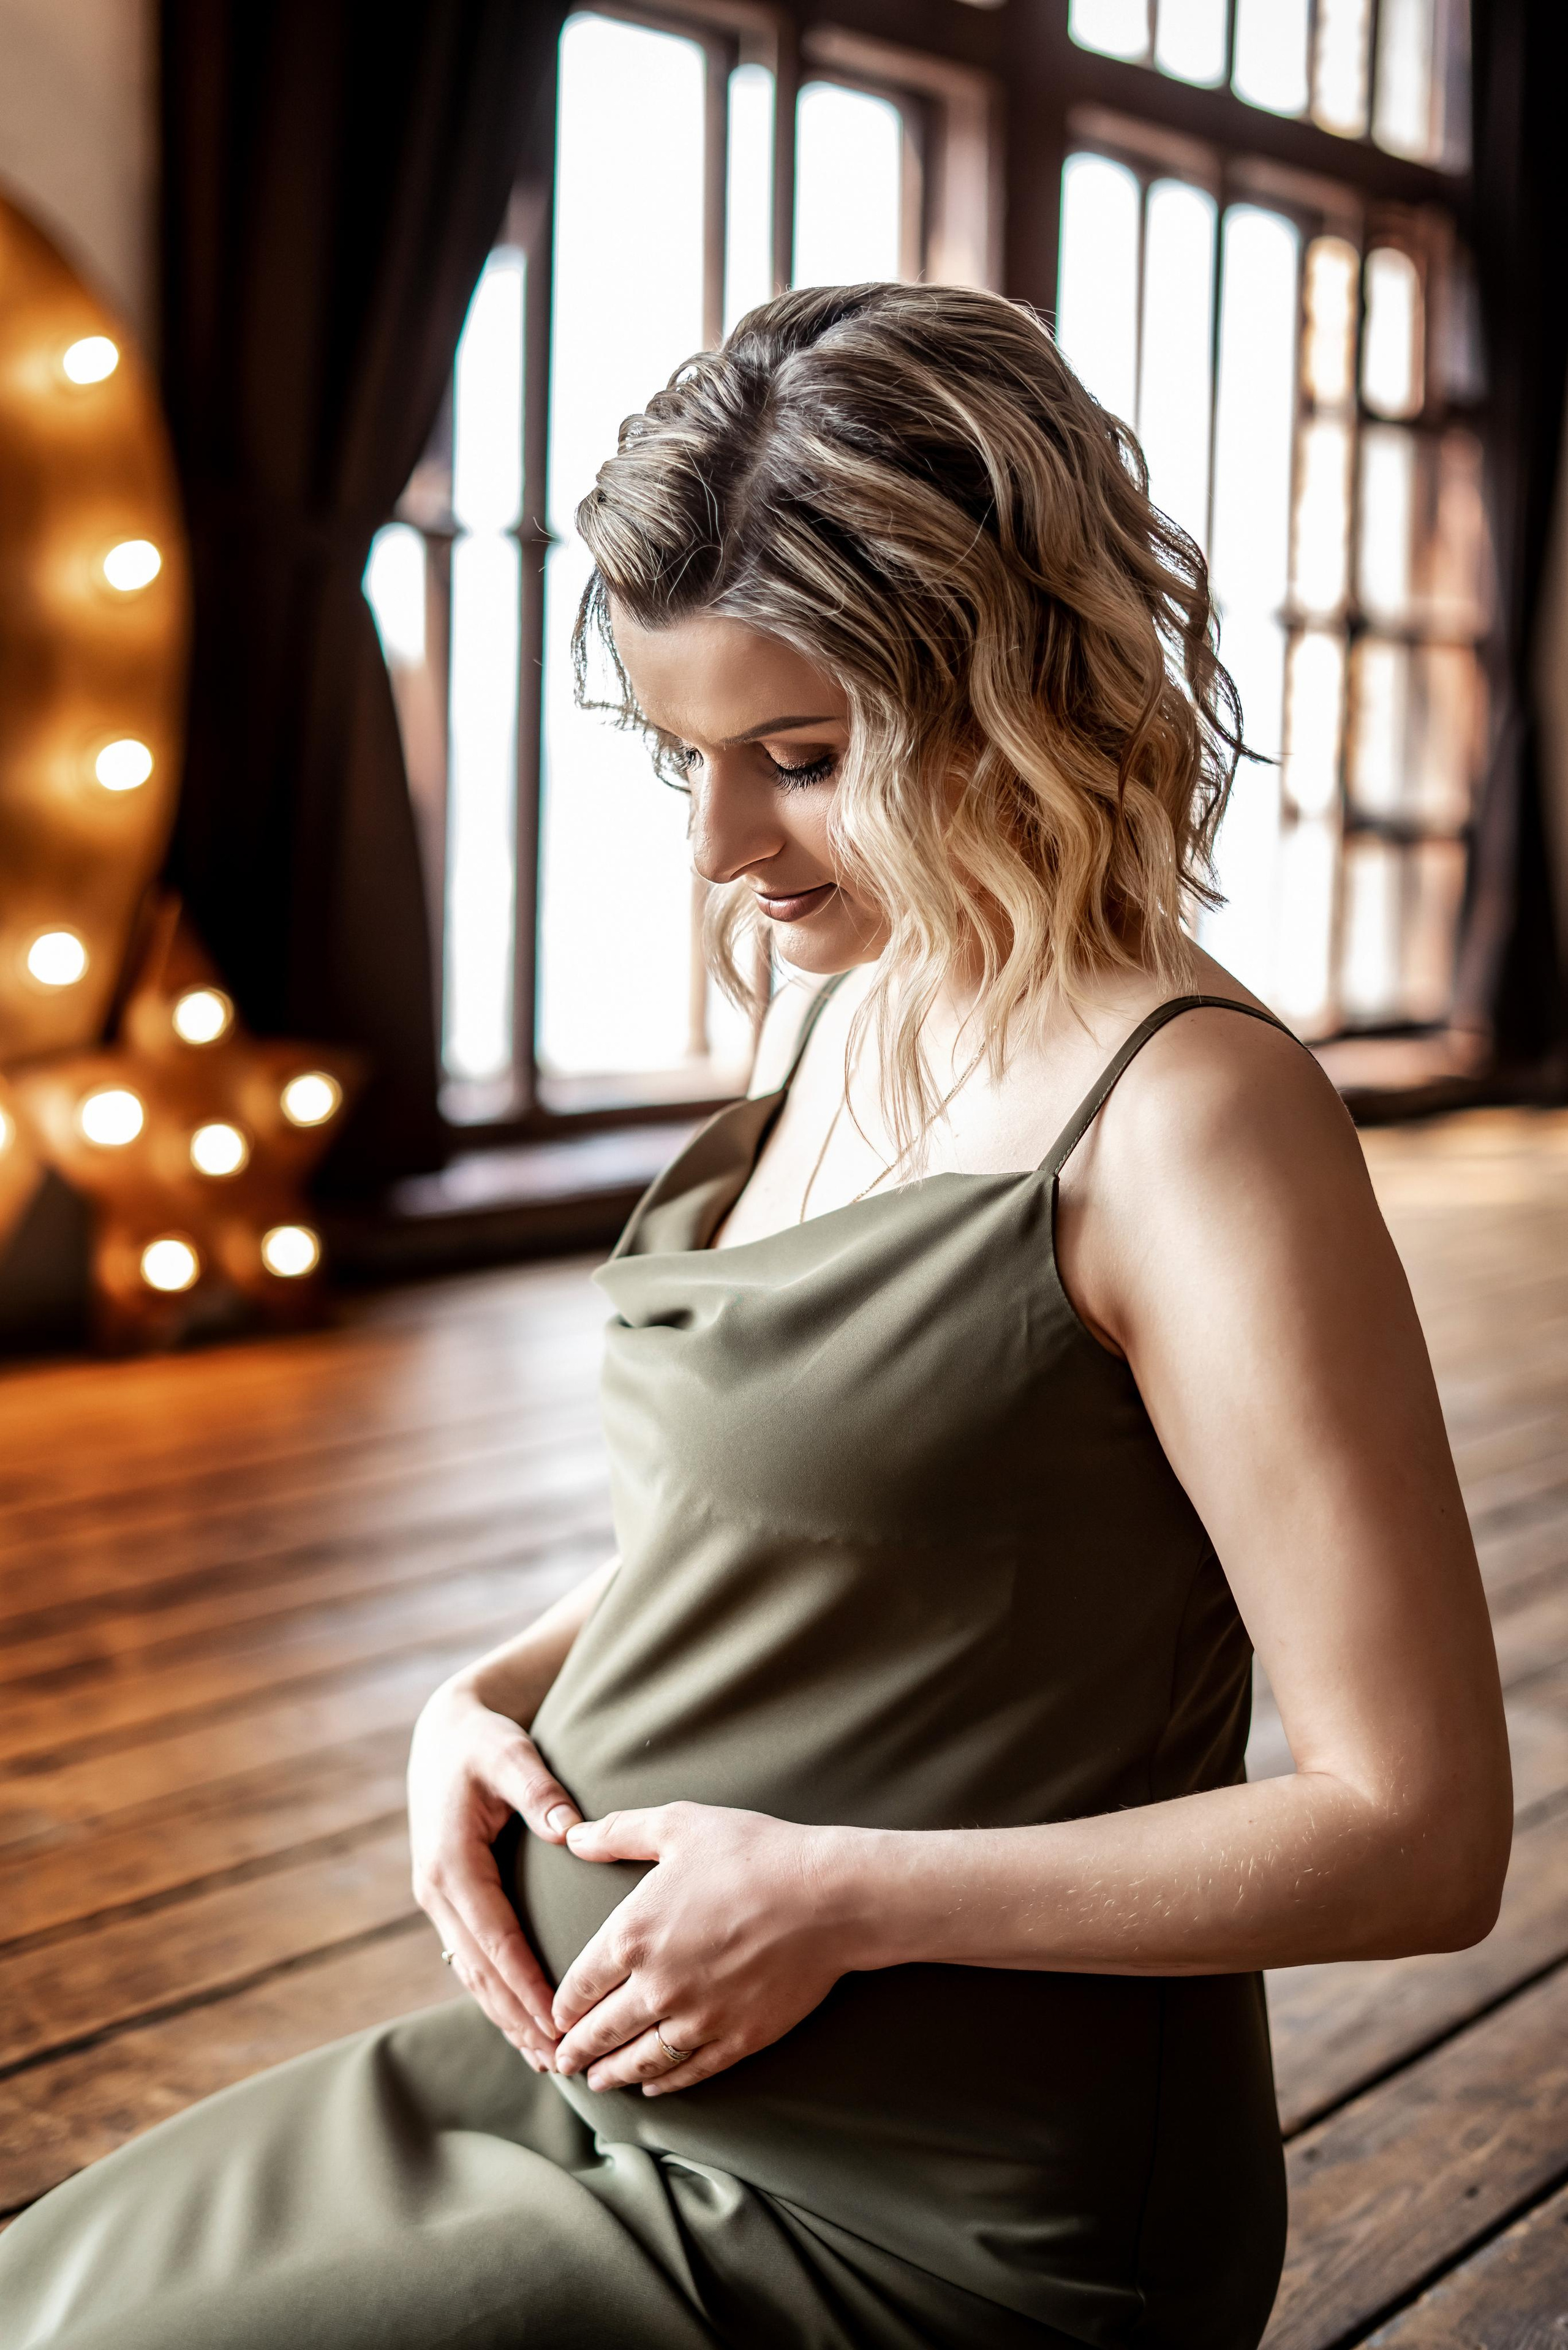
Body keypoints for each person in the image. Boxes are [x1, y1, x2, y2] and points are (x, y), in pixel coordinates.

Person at [0, 282, 1510, 2350]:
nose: (722, 847)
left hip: (921, 2210)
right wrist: (491, 1695)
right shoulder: (853, 987)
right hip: (587, 2081)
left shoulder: (1194, 1121)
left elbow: (1419, 1836)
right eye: (685, 760)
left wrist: (845, 1897)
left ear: (1015, 692)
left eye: (800, 761)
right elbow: (807, 1529)